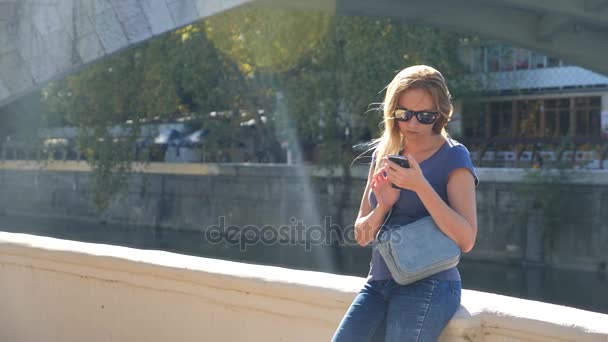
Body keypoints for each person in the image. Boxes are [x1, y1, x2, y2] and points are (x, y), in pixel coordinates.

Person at [331, 65, 479, 342]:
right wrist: (383, 205)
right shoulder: (385, 154)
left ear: (440, 114)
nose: (413, 124)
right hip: (379, 283)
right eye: (404, 114)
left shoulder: (454, 156)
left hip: (431, 283)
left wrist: (420, 186)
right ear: (392, 112)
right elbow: (361, 235)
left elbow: (466, 238)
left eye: (424, 116)